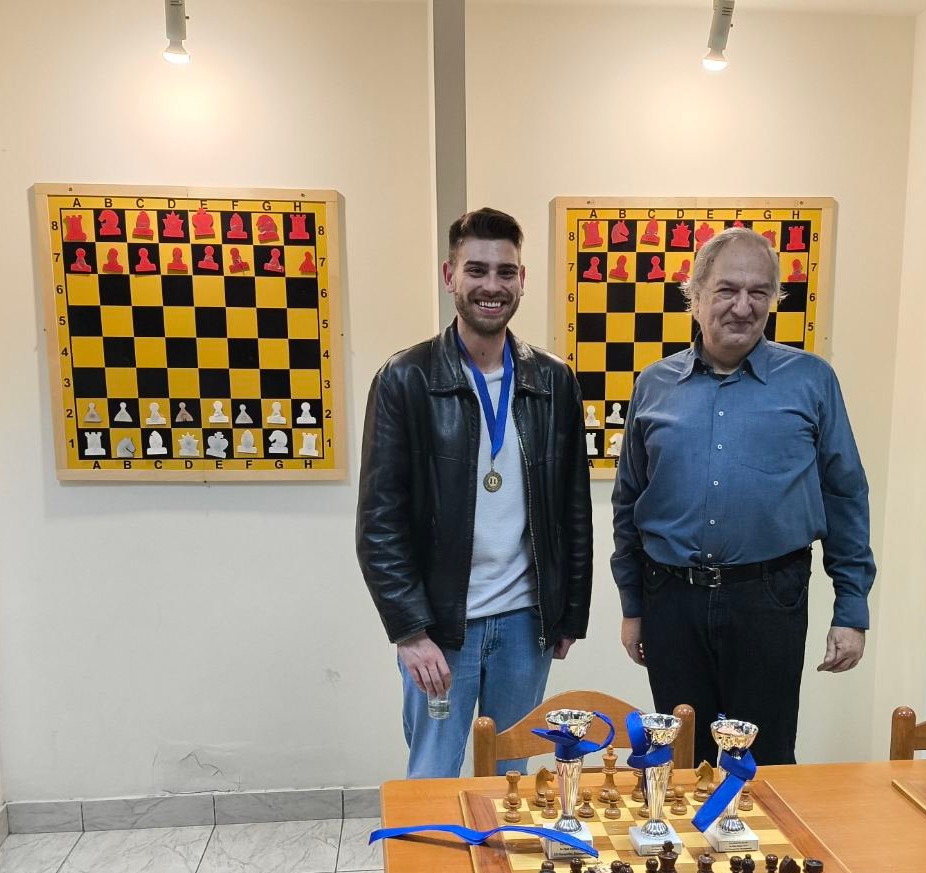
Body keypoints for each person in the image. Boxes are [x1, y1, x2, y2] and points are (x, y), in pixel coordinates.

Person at [612, 227, 874, 768]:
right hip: (671, 600)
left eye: (759, 292)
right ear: (695, 296)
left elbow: (845, 495)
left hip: (769, 599)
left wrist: (851, 610)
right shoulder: (654, 384)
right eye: (727, 290)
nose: (743, 306)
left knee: (765, 762)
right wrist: (633, 606)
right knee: (680, 763)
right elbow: (629, 502)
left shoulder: (812, 381)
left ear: (775, 298)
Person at [356, 208, 592, 780]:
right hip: (441, 629)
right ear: (449, 276)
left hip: (525, 624)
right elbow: (379, 522)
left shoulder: (553, 380)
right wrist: (409, 631)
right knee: (432, 776)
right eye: (477, 270)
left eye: (506, 272)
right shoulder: (406, 379)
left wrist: (569, 613)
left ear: (522, 279)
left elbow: (573, 508)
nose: (492, 286)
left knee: (513, 780)